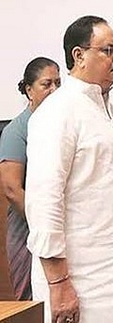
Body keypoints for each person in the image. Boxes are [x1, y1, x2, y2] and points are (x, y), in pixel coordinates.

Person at [25, 16, 113, 323]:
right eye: (108, 50)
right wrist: (59, 284)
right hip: (84, 278)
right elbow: (44, 202)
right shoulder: (56, 112)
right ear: (79, 55)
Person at [0, 57, 61, 300]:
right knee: (32, 303)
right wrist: (43, 223)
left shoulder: (60, 123)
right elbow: (11, 189)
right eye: (47, 84)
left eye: (58, 83)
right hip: (27, 228)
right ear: (29, 90)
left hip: (57, 228)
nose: (54, 90)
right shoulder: (17, 129)